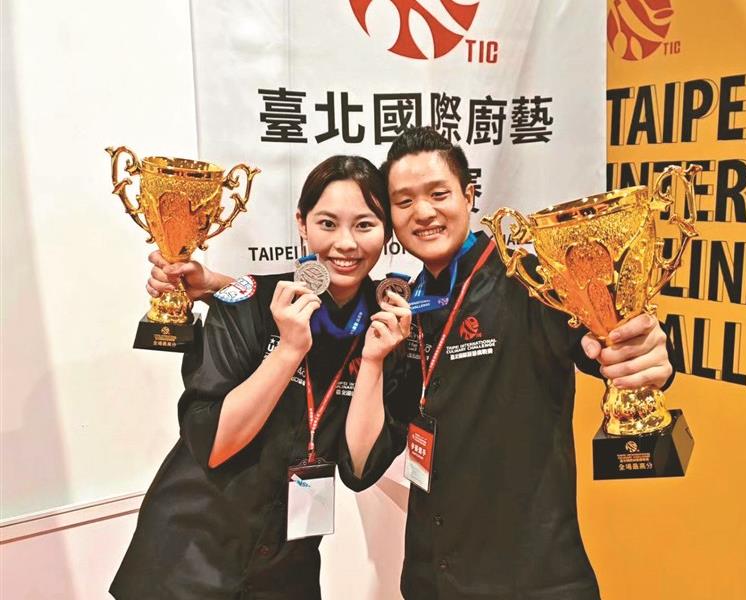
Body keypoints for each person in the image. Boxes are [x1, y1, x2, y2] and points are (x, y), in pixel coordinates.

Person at [149, 129, 675, 600]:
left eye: (439, 194)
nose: (423, 213)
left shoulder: (531, 282)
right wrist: (217, 285)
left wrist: (645, 351)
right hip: (428, 576)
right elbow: (363, 463)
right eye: (404, 201)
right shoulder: (401, 309)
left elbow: (603, 336)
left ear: (470, 195)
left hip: (530, 577)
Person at [110, 155, 414, 600]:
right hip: (186, 562)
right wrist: (288, 350)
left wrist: (372, 362)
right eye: (327, 223)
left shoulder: (388, 327)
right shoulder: (247, 303)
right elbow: (214, 444)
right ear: (302, 224)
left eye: (365, 225)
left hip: (287, 572)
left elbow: (359, 470)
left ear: (387, 233)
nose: (346, 243)